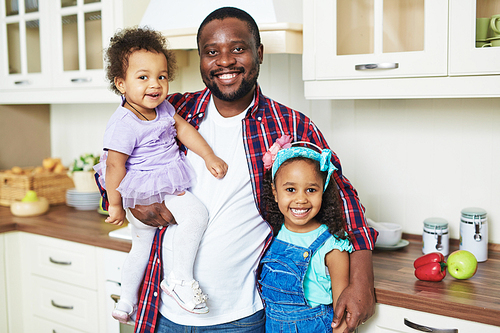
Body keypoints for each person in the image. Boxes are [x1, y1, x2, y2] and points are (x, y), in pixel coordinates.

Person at [99, 7, 377, 333]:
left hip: (241, 317)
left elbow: (344, 201)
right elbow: (108, 164)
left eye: (238, 49)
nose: (225, 61)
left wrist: (361, 283)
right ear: (201, 60)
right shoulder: (170, 109)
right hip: (161, 314)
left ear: (258, 53)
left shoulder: (290, 125)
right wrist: (132, 202)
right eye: (211, 52)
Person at [94, 27, 228, 324]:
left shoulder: (165, 109)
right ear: (121, 83)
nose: (154, 85)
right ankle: (179, 278)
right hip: (148, 187)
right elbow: (114, 166)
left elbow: (185, 130)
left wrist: (209, 156)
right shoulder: (123, 123)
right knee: (195, 216)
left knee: (140, 247)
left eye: (162, 76)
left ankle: (126, 302)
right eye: (143, 77)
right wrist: (116, 204)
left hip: (162, 181)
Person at [259, 136, 352, 332]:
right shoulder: (270, 236)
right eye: (290, 189)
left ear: (323, 192)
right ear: (275, 193)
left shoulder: (332, 246)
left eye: (311, 190)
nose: (301, 199)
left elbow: (341, 313)